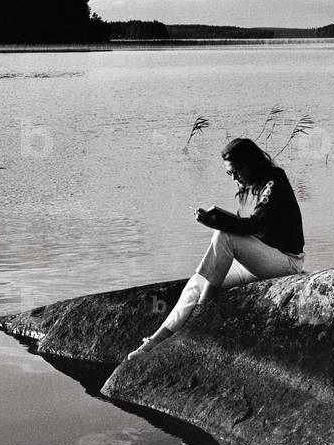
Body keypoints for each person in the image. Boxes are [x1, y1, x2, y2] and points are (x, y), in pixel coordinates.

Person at [127, 137, 305, 360]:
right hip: (259, 260)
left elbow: (255, 225)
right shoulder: (247, 187)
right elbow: (248, 229)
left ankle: (203, 310)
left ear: (250, 163)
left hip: (286, 261)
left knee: (223, 235)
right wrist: (215, 218)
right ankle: (155, 341)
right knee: (197, 282)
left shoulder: (274, 182)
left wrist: (217, 224)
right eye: (230, 173)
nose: (234, 177)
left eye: (236, 171)